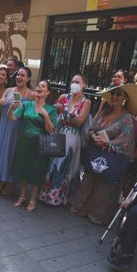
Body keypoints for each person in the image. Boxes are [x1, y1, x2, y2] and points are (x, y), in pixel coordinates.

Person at [71, 83, 137, 225]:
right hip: (95, 153)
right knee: (88, 182)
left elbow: (126, 140)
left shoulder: (128, 118)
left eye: (119, 94)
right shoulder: (104, 113)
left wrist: (108, 144)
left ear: (125, 98)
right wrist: (93, 137)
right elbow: (92, 129)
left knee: (105, 187)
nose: (115, 97)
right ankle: (81, 209)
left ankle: (97, 216)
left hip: (111, 157)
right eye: (114, 94)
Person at [40, 73, 92, 206]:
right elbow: (54, 113)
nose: (74, 84)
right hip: (60, 131)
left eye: (77, 82)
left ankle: (59, 197)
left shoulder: (86, 102)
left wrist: (68, 111)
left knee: (65, 164)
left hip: (73, 136)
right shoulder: (64, 97)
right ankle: (45, 194)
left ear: (84, 85)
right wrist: (58, 109)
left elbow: (80, 122)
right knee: (53, 163)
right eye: (73, 81)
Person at [8, 79, 58, 212]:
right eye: (38, 85)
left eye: (43, 86)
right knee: (23, 169)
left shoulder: (51, 109)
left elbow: (51, 130)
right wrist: (12, 107)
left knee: (36, 172)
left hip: (39, 145)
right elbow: (12, 118)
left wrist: (46, 115)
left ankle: (32, 198)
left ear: (47, 92)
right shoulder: (26, 105)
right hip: (24, 143)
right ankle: (22, 195)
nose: (39, 87)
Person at [0, 67, 34, 195]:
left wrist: (21, 107)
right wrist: (1, 103)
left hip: (17, 127)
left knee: (12, 152)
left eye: (23, 75)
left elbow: (32, 114)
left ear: (28, 78)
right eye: (18, 75)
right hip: (4, 124)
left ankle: (10, 182)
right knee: (2, 150)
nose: (19, 77)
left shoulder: (31, 94)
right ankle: (1, 180)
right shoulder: (9, 90)